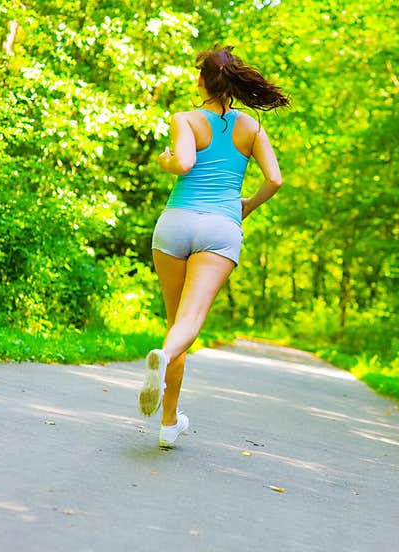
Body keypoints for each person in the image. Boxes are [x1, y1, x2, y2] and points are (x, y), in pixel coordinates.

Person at [138, 44, 290, 448]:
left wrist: (164, 161)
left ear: (201, 80)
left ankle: (169, 424)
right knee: (188, 326)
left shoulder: (186, 119)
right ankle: (164, 361)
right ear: (235, 85)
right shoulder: (251, 129)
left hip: (176, 223)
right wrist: (246, 208)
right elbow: (274, 179)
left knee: (174, 322)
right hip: (221, 227)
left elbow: (184, 163)